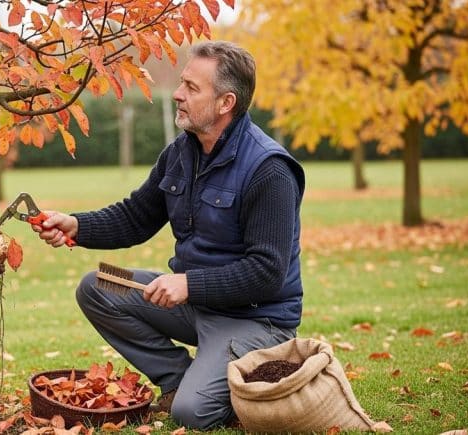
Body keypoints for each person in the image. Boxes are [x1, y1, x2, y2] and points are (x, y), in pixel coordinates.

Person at [33, 41, 305, 430]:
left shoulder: (269, 170)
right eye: (182, 83)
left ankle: (248, 379)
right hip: (192, 303)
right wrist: (77, 225)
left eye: (192, 88)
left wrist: (189, 284)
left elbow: (266, 273)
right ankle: (179, 379)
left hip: (255, 319)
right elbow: (135, 217)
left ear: (226, 102)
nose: (177, 93)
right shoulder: (182, 152)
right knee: (99, 285)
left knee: (192, 413)